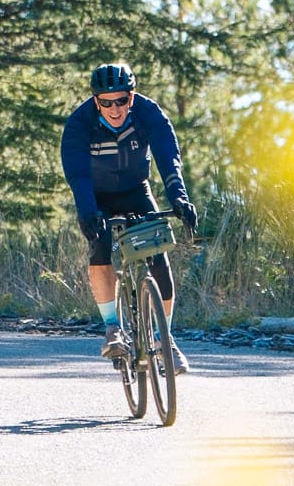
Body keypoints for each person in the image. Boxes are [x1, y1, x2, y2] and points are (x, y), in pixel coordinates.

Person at [60, 62, 197, 374]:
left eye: (121, 100)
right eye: (106, 102)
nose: (115, 108)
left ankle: (165, 339)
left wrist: (179, 196)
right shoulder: (80, 123)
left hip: (136, 189)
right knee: (99, 246)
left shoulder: (148, 112)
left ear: (131, 98)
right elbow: (78, 174)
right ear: (96, 102)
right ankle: (112, 328)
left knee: (158, 256)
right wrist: (87, 212)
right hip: (96, 195)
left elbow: (168, 157)